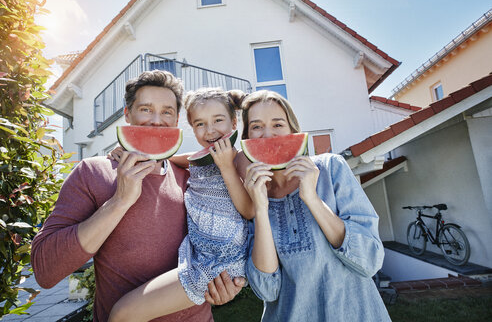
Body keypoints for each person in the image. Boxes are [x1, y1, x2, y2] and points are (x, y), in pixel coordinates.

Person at [31, 71, 245, 322]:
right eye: (146, 109)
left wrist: (222, 287)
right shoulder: (92, 172)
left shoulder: (189, 178)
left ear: (176, 121)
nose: (156, 120)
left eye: (166, 112)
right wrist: (119, 201)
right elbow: (46, 272)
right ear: (127, 115)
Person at [240, 90, 391, 321]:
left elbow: (369, 260)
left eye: (278, 124)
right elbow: (267, 290)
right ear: (247, 137)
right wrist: (260, 208)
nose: (267, 135)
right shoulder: (250, 195)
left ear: (293, 131)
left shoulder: (331, 168)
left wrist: (311, 197)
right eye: (257, 126)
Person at [107, 87, 254, 321]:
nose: (210, 130)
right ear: (191, 127)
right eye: (200, 124)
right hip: (200, 256)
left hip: (221, 265)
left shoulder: (241, 158)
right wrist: (128, 149)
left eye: (218, 120)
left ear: (234, 122)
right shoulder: (198, 158)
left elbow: (250, 210)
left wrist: (227, 167)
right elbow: (162, 157)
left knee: (122, 314)